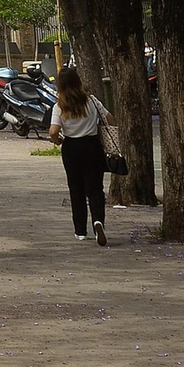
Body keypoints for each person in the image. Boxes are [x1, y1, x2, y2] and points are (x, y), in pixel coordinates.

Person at [48, 63, 110, 246]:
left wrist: (58, 141)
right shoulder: (91, 101)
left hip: (72, 148)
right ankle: (98, 221)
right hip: (92, 146)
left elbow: (53, 131)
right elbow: (109, 118)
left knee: (76, 190)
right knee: (95, 189)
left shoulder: (60, 106)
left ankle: (80, 230)